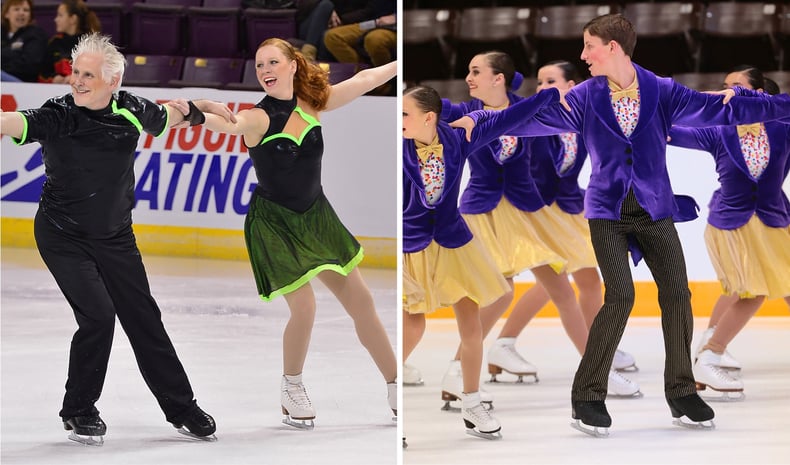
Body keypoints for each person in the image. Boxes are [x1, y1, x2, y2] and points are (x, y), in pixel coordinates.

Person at [451, 13, 790, 436]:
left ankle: (682, 391)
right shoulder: (585, 96)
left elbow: (723, 107)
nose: (582, 55)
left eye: (589, 46)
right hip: (607, 210)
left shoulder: (662, 91)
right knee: (621, 296)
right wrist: (482, 121)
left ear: (612, 47)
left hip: (654, 208)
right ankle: (587, 398)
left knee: (678, 296)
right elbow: (531, 118)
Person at [0, 33, 233, 445]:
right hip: (62, 234)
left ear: (113, 81)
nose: (77, 81)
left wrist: (201, 108)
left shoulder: (129, 108)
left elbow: (168, 117)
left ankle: (181, 408)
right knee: (98, 315)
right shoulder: (58, 115)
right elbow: (12, 122)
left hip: (115, 236)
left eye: (88, 75)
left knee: (145, 318)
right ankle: (79, 410)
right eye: (75, 72)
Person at [177, 38, 398, 429]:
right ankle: (291, 386)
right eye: (260, 63)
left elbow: (365, 79)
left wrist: (399, 63)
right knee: (306, 307)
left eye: (273, 61)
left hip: (316, 216)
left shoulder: (314, 103)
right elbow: (228, 124)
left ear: (293, 65)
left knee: (362, 301)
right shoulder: (258, 118)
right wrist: (191, 114)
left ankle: (396, 385)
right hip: (274, 223)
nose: (265, 69)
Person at [436, 52, 641, 409]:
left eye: (476, 72)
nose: (468, 78)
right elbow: (426, 112)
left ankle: (597, 370)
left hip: (524, 213)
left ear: (499, 78)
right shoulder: (459, 112)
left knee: (561, 288)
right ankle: (457, 370)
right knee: (499, 293)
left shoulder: (526, 108)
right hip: (483, 213)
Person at [402, 84, 561, 440]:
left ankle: (471, 401)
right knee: (412, 326)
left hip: (455, 243)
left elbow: (508, 118)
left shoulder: (458, 138)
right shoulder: (397, 148)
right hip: (412, 248)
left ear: (429, 117)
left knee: (470, 325)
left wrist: (547, 97)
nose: (399, 121)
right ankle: (394, 399)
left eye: (405, 114)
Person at [667, 65, 790, 400]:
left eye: (736, 87)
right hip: (730, 223)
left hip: (772, 222)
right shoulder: (718, 131)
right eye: (725, 86)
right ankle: (710, 353)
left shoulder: (782, 127)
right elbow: (672, 132)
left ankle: (710, 349)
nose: (727, 92)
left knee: (774, 288)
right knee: (750, 291)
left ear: (760, 95)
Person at [322, 0, 395, 73]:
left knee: (374, 39)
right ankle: (360, 73)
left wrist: (396, 17)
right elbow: (370, 9)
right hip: (373, 22)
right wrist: (333, 10)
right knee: (332, 36)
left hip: (395, 26)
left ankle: (383, 81)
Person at [38, 0, 100, 83]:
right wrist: (54, 79)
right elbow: (43, 74)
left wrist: (77, 77)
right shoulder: (55, 42)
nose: (56, 19)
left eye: (60, 15)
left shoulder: (92, 44)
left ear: (73, 19)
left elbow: (99, 74)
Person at [1, 0, 48, 82]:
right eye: (16, 9)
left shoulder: (36, 34)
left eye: (26, 10)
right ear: (6, 14)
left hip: (23, 83)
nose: (21, 13)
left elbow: (30, 65)